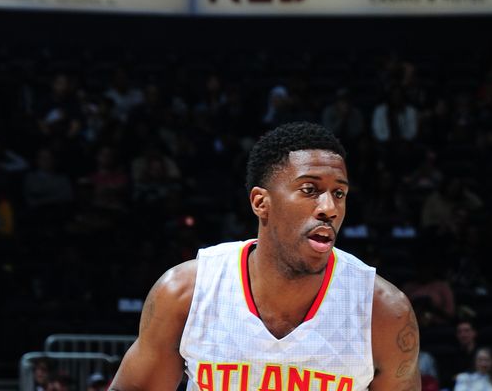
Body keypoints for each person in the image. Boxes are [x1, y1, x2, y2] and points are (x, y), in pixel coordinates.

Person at [110, 122, 421, 390]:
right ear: (261, 203)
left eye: (339, 193)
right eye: (310, 189)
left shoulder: (383, 311)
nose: (329, 207)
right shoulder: (185, 293)